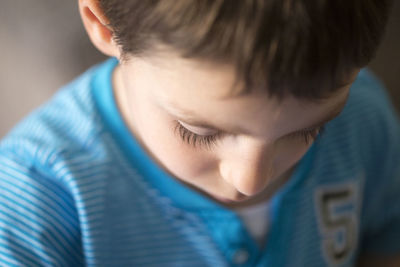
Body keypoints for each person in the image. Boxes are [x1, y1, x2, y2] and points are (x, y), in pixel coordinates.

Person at [0, 0, 398, 266]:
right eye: (198, 131)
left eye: (311, 129)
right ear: (103, 25)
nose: (250, 179)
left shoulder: (364, 118)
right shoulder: (37, 194)